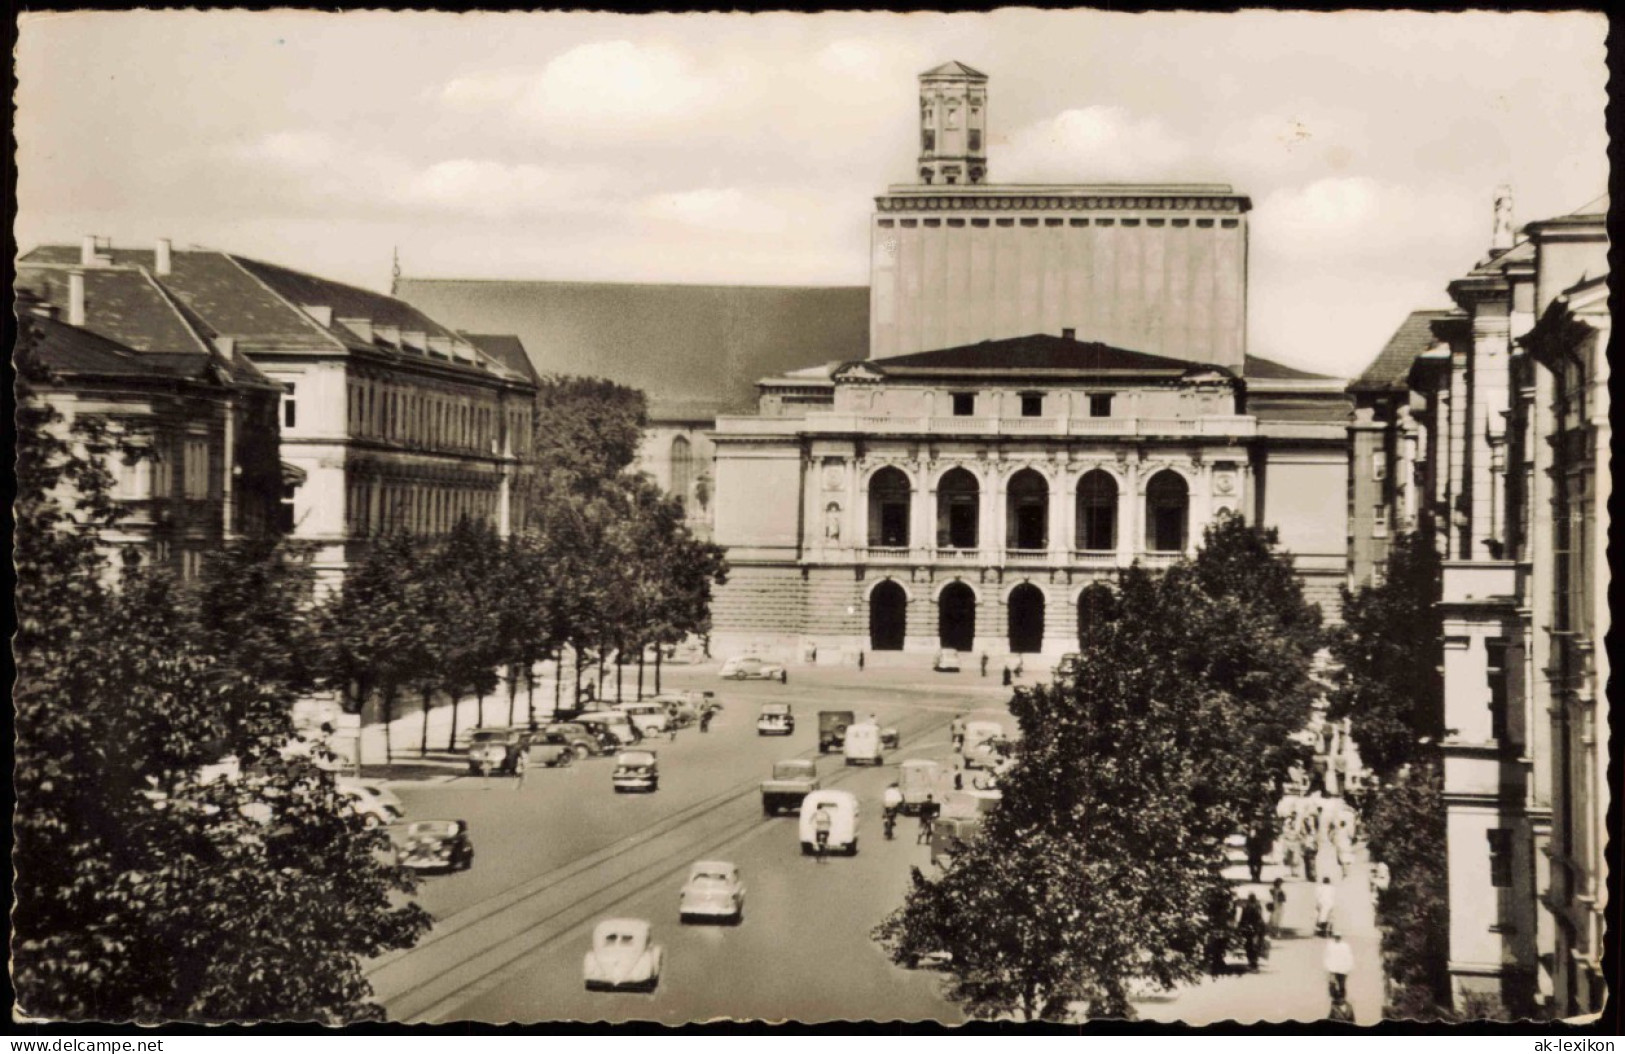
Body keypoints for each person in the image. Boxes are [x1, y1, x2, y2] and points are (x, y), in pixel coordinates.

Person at [1237, 893, 1267, 972]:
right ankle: (1254, 961)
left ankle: (1252, 962)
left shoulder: (1247, 907)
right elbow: (1260, 918)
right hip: (1257, 929)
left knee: (1249, 945)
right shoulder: (1258, 906)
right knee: (1255, 945)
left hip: (1250, 929)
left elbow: (1242, 918)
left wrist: (1240, 927)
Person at [1323, 928, 1355, 1003]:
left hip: (1341, 969)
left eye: (1337, 937)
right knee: (1334, 985)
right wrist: (1328, 968)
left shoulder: (1344, 946)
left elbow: (1349, 957)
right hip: (1335, 969)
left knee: (1340, 985)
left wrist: (1349, 968)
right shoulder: (1332, 945)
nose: (1337, 938)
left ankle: (1340, 1000)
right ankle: (1336, 1000)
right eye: (1336, 936)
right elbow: (1327, 956)